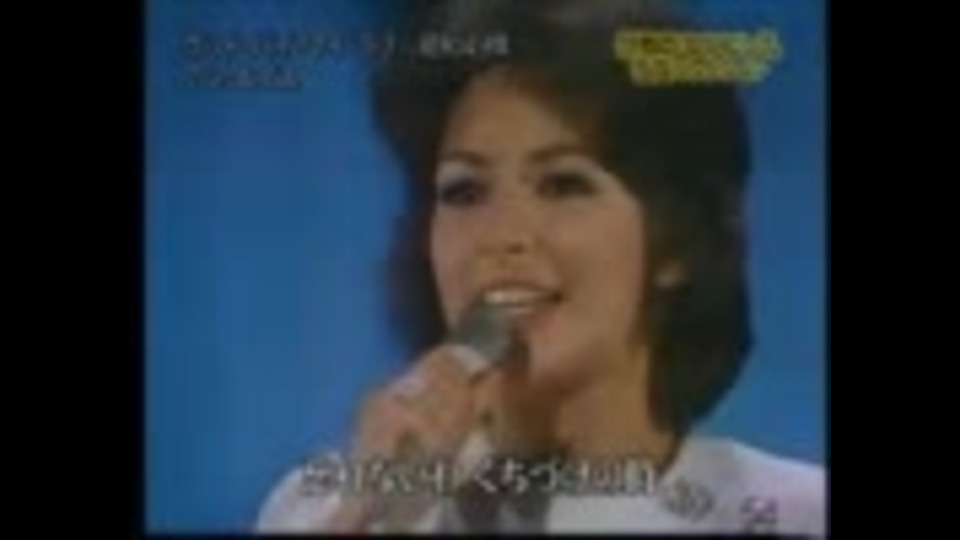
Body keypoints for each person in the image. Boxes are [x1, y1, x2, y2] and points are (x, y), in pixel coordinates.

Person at [255, 0, 825, 534]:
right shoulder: (323, 509)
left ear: (676, 240)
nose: (502, 237)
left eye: (563, 184)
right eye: (464, 191)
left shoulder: (797, 515)